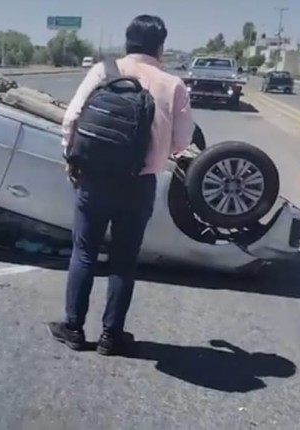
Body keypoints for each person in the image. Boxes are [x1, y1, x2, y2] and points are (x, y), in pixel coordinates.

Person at [47, 15, 195, 355]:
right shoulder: (173, 85)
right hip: (139, 183)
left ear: (128, 42)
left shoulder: (104, 71)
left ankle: (73, 328)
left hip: (95, 178)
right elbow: (182, 141)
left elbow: (72, 118)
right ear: (160, 47)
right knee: (124, 260)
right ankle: (111, 336)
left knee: (84, 252)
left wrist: (72, 157)